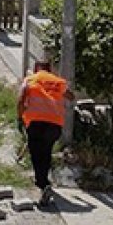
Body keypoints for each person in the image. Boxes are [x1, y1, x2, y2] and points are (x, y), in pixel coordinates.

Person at [18, 61, 74, 207]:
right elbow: (70, 96)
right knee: (46, 152)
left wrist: (20, 117)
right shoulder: (57, 82)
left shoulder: (30, 79)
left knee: (36, 155)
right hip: (54, 125)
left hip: (36, 123)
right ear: (50, 70)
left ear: (36, 69)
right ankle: (44, 182)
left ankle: (43, 185)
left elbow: (21, 98)